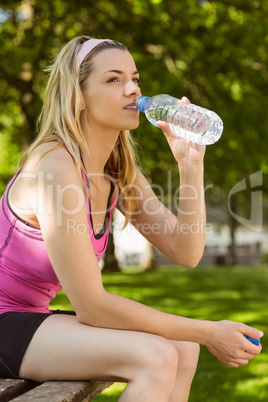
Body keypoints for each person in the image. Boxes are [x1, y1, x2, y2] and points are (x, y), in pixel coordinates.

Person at [0, 36, 263, 402]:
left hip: (27, 319)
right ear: (78, 96)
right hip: (3, 322)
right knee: (154, 356)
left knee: (183, 349)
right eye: (114, 79)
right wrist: (207, 330)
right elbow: (92, 306)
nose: (133, 89)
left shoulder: (118, 172)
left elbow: (185, 251)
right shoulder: (55, 165)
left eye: (135, 79)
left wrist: (190, 164)